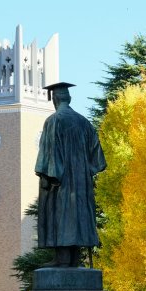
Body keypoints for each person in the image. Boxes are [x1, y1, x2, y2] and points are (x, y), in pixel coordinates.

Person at [35, 82, 107, 267]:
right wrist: (83, 172)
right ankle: (74, 259)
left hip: (62, 183)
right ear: (69, 98)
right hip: (82, 184)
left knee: (62, 213)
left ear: (55, 98)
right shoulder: (84, 122)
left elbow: (49, 156)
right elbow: (98, 160)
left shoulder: (54, 121)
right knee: (78, 215)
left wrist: (47, 178)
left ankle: (62, 259)